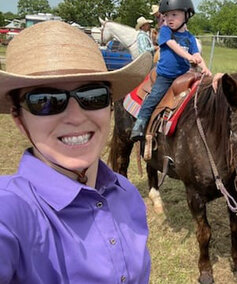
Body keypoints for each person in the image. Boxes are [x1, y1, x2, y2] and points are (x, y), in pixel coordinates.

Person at [0, 21, 152, 283]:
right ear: (19, 119)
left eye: (93, 96)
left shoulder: (127, 194)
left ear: (110, 107)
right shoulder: (10, 211)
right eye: (45, 101)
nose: (75, 117)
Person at [130, 0, 211, 141]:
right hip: (166, 76)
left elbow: (197, 55)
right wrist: (188, 56)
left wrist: (205, 68)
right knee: (154, 97)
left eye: (174, 14)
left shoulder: (190, 37)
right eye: (166, 16)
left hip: (184, 76)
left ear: (186, 15)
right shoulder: (165, 31)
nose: (169, 19)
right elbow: (172, 45)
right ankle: (140, 123)